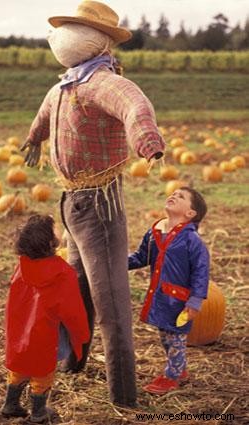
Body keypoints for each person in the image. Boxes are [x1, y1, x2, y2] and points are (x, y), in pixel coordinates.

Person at [20, 0, 165, 407]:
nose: (61, 36)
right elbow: (46, 113)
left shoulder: (104, 82)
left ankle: (123, 394)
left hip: (99, 206)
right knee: (76, 287)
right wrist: (34, 137)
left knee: (112, 300)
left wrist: (148, 143)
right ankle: (75, 359)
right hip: (73, 203)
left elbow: (135, 106)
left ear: (96, 41)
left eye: (73, 28)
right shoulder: (66, 84)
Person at [1, 214, 90, 423]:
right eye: (55, 228)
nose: (59, 229)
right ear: (51, 242)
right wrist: (81, 333)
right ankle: (39, 413)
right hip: (46, 332)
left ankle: (10, 403)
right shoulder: (63, 273)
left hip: (21, 331)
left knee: (20, 367)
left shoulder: (22, 267)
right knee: (43, 373)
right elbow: (72, 310)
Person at [128, 187, 209, 394]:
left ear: (190, 214)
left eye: (180, 196)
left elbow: (201, 272)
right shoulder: (154, 231)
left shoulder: (192, 241)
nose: (173, 195)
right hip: (160, 298)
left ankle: (171, 377)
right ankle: (179, 369)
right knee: (165, 337)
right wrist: (120, 263)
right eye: (172, 193)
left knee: (175, 339)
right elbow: (141, 257)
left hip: (179, 301)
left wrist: (195, 301)